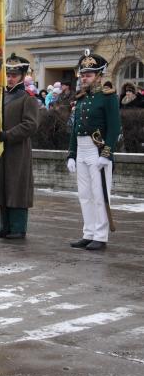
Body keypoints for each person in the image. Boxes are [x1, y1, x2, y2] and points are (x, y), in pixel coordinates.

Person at [67, 49, 121, 251]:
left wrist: (107, 154)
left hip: (97, 151)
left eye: (88, 75)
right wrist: (71, 154)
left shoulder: (108, 98)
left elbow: (114, 128)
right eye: (82, 74)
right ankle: (88, 233)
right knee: (85, 195)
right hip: (81, 150)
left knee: (100, 196)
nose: (84, 78)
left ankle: (100, 235)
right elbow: (75, 129)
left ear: (99, 76)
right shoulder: (80, 99)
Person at [0, 53, 39, 239]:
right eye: (8, 74)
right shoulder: (2, 97)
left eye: (14, 75)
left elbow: (30, 125)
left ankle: (18, 228)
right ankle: (5, 226)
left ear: (23, 76)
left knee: (17, 189)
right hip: (2, 150)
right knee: (2, 187)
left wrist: (8, 135)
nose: (10, 78)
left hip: (18, 151)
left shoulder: (28, 98)